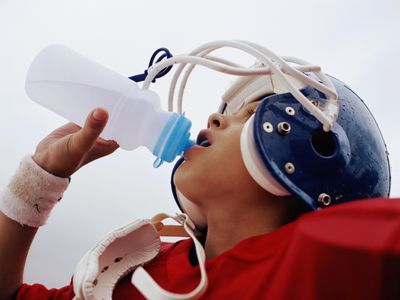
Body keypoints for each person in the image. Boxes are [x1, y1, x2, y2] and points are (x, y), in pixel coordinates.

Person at [0, 41, 399, 300]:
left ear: (317, 148)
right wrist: (39, 177)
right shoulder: (135, 274)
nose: (215, 117)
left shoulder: (332, 255)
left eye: (250, 113)